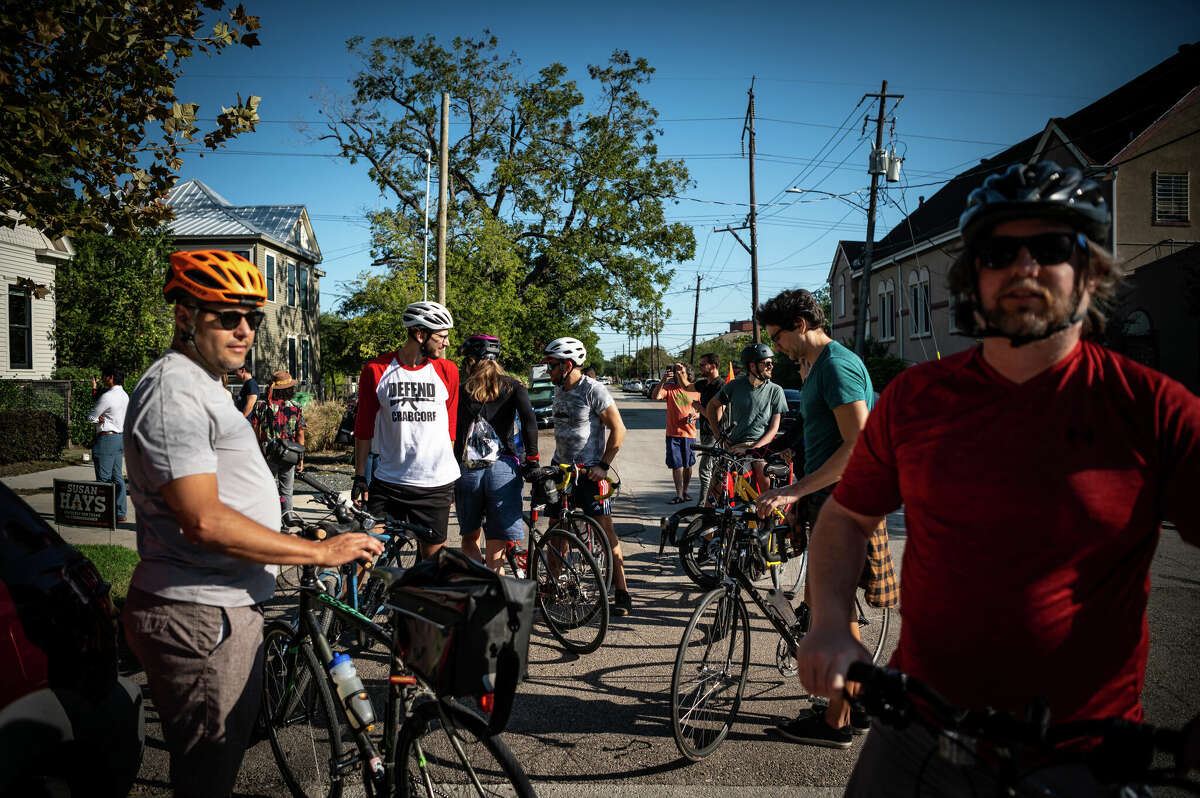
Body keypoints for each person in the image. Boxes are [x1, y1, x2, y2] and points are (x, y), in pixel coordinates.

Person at [795, 161, 1200, 794]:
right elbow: (846, 518)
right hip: (917, 731)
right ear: (971, 278)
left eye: (1051, 247)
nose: (1023, 266)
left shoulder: (1154, 410)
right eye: (997, 251)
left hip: (1079, 751)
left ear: (1091, 272)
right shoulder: (917, 399)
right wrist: (825, 626)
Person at [122, 250, 382, 798]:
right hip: (200, 613)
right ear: (184, 315)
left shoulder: (202, 382)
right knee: (207, 779)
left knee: (217, 766)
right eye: (227, 316)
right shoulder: (174, 391)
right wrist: (319, 553)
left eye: (253, 319)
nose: (244, 331)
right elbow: (203, 519)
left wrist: (292, 535)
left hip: (219, 605)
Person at [754, 288, 896, 748]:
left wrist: (796, 489)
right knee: (822, 607)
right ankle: (850, 705)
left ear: (799, 324)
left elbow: (858, 444)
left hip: (846, 504)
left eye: (777, 335)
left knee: (833, 613)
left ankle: (836, 723)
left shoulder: (836, 366)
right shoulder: (815, 368)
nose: (775, 346)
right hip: (830, 501)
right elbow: (819, 434)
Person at [352, 300, 460, 559]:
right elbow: (363, 427)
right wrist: (359, 476)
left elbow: (451, 429)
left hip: (434, 487)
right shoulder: (376, 370)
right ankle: (349, 599)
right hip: (390, 483)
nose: (447, 343)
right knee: (364, 554)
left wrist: (450, 479)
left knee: (432, 567)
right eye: (441, 337)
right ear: (420, 334)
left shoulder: (448, 371)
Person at [544, 336, 632, 615]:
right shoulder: (559, 388)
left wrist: (603, 465)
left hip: (592, 475)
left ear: (567, 365)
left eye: (552, 365)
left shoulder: (593, 390)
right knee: (556, 533)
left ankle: (621, 591)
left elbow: (619, 430)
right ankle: (553, 587)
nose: (548, 371)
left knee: (606, 532)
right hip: (561, 471)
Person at [453, 334, 540, 572]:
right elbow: (530, 423)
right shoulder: (513, 386)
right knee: (497, 550)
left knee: (469, 539)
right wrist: (532, 460)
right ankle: (495, 595)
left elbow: (457, 433)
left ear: (472, 360)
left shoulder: (461, 390)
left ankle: (477, 585)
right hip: (504, 469)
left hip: (469, 470)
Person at [704, 342, 788, 499]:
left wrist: (753, 450)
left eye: (772, 363)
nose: (771, 366)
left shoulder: (776, 390)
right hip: (735, 446)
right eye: (767, 363)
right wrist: (718, 435)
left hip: (762, 446)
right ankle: (707, 520)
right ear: (753, 366)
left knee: (762, 472)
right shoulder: (734, 386)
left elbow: (774, 428)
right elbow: (712, 406)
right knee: (715, 484)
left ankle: (768, 518)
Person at [651, 362, 701, 504]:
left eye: (682, 371)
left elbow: (704, 410)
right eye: (677, 371)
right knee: (676, 464)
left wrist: (696, 416)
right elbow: (655, 396)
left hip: (689, 434)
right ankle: (679, 494)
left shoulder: (695, 390)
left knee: (688, 465)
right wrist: (663, 380)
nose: (679, 373)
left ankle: (685, 491)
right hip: (673, 434)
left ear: (688, 373)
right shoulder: (669, 388)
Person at [257, 370, 306, 512]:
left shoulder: (261, 406)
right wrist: (300, 458)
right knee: (286, 491)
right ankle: (286, 518)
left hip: (267, 453)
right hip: (289, 453)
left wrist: (257, 449)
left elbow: (254, 430)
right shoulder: (296, 408)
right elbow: (300, 434)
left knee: (266, 488)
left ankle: (267, 519)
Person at [87, 364, 129, 522]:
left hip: (106, 439)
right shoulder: (124, 395)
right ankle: (120, 512)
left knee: (103, 479)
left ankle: (104, 515)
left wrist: (97, 418)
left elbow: (91, 416)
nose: (102, 379)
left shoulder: (107, 396)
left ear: (111, 377)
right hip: (119, 438)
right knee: (117, 477)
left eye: (104, 376)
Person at [692, 353, 725, 505]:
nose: (700, 367)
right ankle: (712, 504)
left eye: (702, 364)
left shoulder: (720, 386)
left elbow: (716, 417)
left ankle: (703, 507)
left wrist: (699, 407)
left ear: (713, 366)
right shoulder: (705, 384)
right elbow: (686, 386)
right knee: (712, 472)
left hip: (715, 434)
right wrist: (679, 373)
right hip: (706, 434)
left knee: (706, 471)